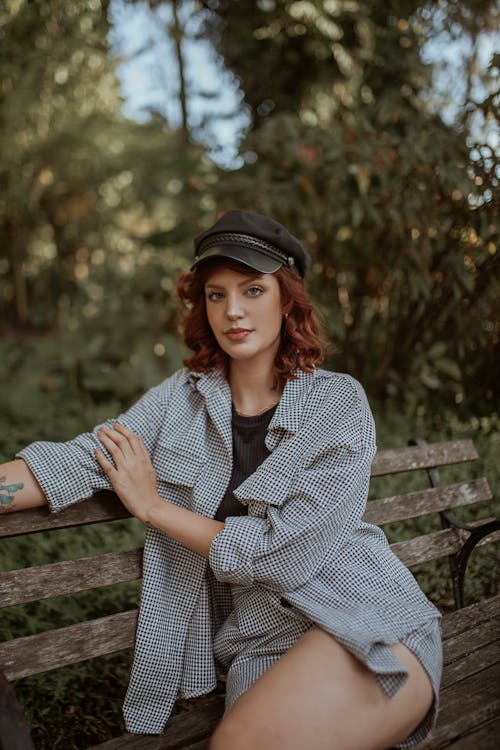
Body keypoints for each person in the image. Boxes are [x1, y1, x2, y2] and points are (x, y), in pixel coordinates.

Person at [1, 210, 442, 749]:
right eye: (216, 294)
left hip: (364, 619)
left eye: (253, 290)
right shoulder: (179, 399)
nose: (232, 310)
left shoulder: (338, 402)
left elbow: (285, 556)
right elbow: (78, 460)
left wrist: (155, 508)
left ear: (286, 299)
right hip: (257, 645)